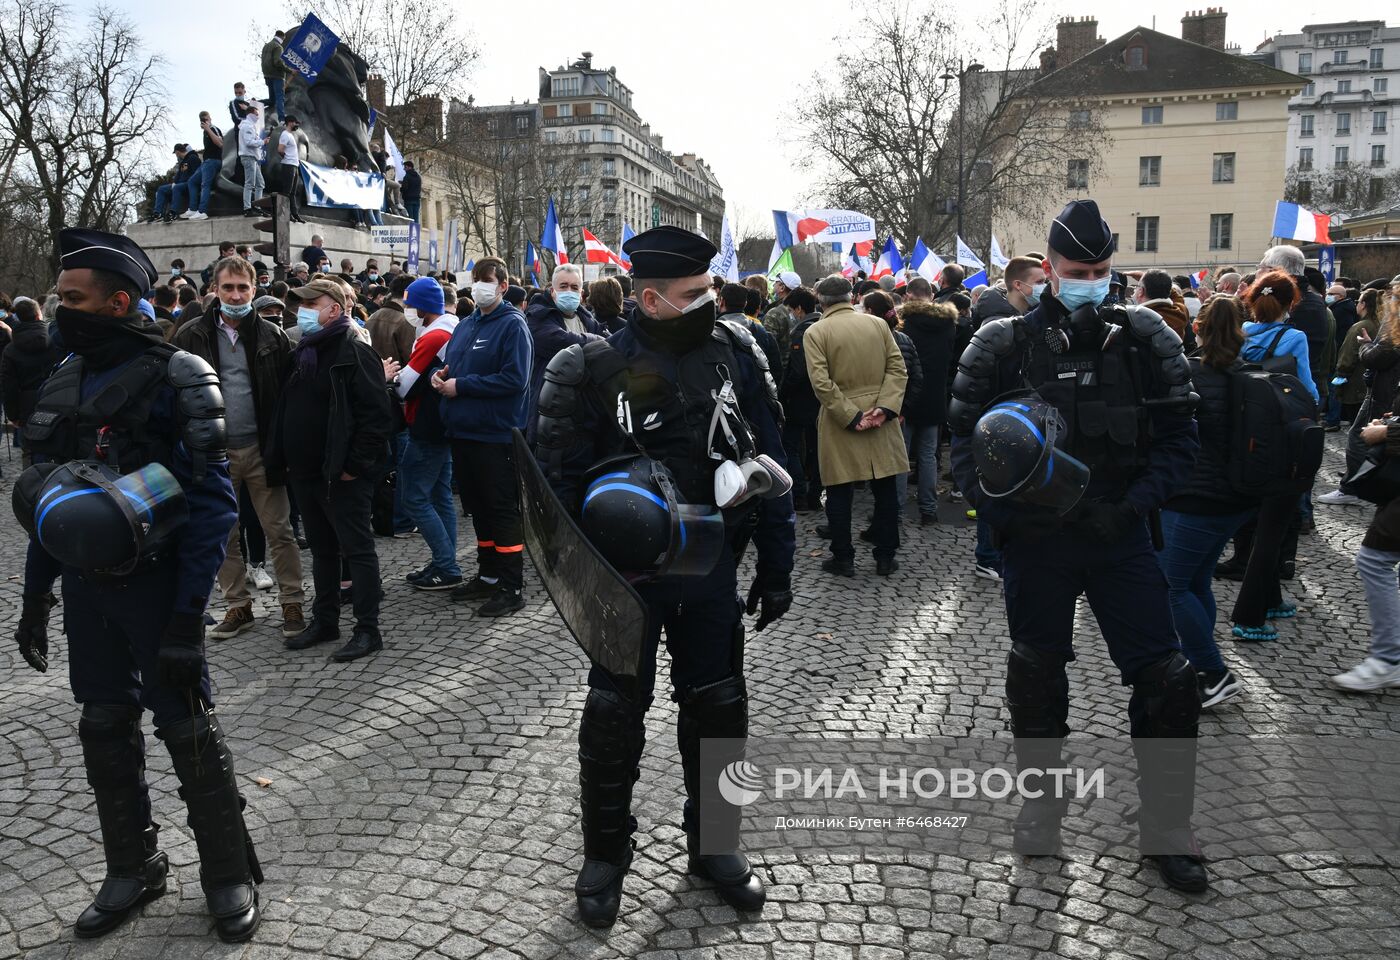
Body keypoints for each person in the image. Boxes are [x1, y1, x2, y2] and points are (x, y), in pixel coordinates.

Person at [534, 224, 793, 927]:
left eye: (711, 288)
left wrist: (777, 562)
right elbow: (552, 490)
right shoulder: (586, 368)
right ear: (649, 299)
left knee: (720, 705)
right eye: (694, 294)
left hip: (712, 570)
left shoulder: (737, 351)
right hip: (626, 584)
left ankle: (716, 845)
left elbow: (772, 459)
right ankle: (605, 855)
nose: (711, 301)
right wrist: (588, 581)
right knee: (613, 716)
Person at [947, 199, 1206, 893]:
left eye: (1100, 269)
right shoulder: (1001, 343)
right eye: (1076, 269)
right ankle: (1041, 806)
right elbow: (963, 446)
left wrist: (1133, 508)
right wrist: (1003, 520)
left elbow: (1183, 441)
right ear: (1050, 269)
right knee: (1035, 675)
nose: (1089, 278)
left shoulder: (1148, 337)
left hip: (1121, 535)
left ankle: (1167, 827)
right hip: (1040, 542)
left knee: (1168, 679)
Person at [12, 228, 260, 941]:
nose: (61, 309)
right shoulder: (63, 376)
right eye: (60, 297)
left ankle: (227, 874)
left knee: (185, 726)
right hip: (90, 591)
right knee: (102, 724)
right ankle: (133, 866)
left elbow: (215, 507)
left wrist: (188, 619)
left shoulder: (181, 374)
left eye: (73, 298)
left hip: (160, 588)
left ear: (118, 301)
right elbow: (52, 506)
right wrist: (36, 599)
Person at [172, 256, 305, 641]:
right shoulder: (191, 335)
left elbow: (284, 396)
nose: (234, 295)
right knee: (223, 534)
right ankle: (237, 605)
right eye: (227, 287)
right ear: (214, 288)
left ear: (254, 289)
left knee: (279, 530)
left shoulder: (272, 336)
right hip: (214, 455)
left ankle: (291, 601)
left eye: (242, 288)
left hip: (262, 449)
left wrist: (282, 449)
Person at [264, 278, 392, 661]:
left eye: (310, 303)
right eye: (300, 304)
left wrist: (354, 467)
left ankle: (368, 630)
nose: (301, 311)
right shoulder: (303, 351)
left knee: (357, 549)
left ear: (334, 309)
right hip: (304, 472)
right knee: (322, 550)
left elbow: (376, 419)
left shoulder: (355, 351)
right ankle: (326, 620)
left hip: (341, 474)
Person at [1155, 296, 1257, 708]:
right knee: (1196, 581)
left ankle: (1214, 673)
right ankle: (1200, 662)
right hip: (1237, 500)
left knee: (1168, 586)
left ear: (1197, 328)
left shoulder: (1189, 375)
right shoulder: (1250, 374)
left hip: (1194, 499)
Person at [432, 257, 533, 617]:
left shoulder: (512, 326)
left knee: (501, 509)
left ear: (502, 286)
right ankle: (488, 576)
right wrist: (443, 374)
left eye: (485, 280)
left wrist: (463, 385)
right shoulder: (466, 324)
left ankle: (511, 585)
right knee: (478, 509)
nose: (478, 286)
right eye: (475, 280)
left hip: (495, 435)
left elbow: (514, 379)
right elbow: (455, 365)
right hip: (463, 431)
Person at [804, 274, 908, 577]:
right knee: (886, 490)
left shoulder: (816, 332)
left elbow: (821, 383)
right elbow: (897, 368)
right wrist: (885, 408)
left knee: (839, 492)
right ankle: (885, 556)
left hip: (842, 421)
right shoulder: (877, 324)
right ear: (852, 297)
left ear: (820, 301)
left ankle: (843, 558)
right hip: (880, 416)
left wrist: (851, 415)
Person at [393, 277, 462, 591]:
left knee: (414, 498)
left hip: (426, 424)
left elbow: (405, 384)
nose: (407, 309)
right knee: (439, 495)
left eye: (410, 304)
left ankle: (446, 565)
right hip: (442, 422)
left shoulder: (433, 335)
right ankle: (443, 561)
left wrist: (387, 377)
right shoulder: (450, 326)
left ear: (422, 306)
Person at [897, 284, 957, 527]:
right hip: (934, 395)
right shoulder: (948, 324)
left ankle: (896, 511)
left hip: (906, 396)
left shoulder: (905, 323)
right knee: (928, 456)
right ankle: (929, 511)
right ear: (931, 296)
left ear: (909, 295)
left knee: (900, 457)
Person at [525, 264, 603, 435]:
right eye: (563, 286)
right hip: (550, 410)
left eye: (574, 287)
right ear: (552, 291)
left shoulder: (587, 319)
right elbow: (563, 342)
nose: (569, 291)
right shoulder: (538, 316)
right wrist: (596, 340)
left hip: (585, 410)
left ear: (581, 294)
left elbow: (611, 343)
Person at [865, 290, 922, 522]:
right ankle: (888, 515)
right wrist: (903, 408)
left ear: (869, 312)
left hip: (879, 412)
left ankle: (886, 517)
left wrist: (896, 410)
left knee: (882, 471)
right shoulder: (905, 338)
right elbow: (917, 378)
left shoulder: (872, 340)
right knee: (891, 467)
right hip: (893, 411)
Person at [1, 296, 64, 465]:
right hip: (54, 397)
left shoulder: (11, 350)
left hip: (26, 403)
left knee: (29, 450)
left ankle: (31, 485)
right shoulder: (55, 339)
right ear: (38, 315)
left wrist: (13, 414)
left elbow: (9, 386)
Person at [779, 286, 823, 512]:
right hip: (823, 399)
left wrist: (782, 392)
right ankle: (816, 495)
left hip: (801, 400)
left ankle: (800, 496)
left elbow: (798, 371)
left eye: (791, 310)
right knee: (819, 450)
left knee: (791, 446)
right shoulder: (826, 325)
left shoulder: (802, 331)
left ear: (798, 309)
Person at [181, 112, 223, 221]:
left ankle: (202, 211)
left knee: (205, 184)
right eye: (202, 120)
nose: (204, 122)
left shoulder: (213, 129)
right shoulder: (204, 133)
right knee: (192, 181)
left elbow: (220, 143)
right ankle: (193, 209)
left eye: (206, 119)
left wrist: (208, 129)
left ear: (210, 118)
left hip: (213, 161)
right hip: (206, 162)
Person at [151, 144, 200, 223]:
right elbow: (178, 175)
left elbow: (196, 174)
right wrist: (174, 182)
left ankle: (173, 212)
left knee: (177, 188)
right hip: (180, 184)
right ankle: (158, 213)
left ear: (177, 152)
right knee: (161, 189)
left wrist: (181, 183)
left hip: (189, 184)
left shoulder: (193, 158)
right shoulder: (183, 162)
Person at [1134, 269, 1189, 340]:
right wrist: (1157, 281)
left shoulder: (1136, 319)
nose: (1135, 290)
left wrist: (1150, 280)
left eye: (1137, 287)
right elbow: (1177, 297)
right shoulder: (1180, 312)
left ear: (1141, 291)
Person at [236, 100, 266, 216]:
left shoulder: (249, 126)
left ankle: (257, 206)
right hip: (248, 157)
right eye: (257, 114)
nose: (258, 117)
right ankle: (247, 209)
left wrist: (261, 141)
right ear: (251, 114)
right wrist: (262, 142)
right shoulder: (247, 126)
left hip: (252, 157)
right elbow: (249, 142)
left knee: (260, 183)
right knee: (250, 183)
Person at [276, 116, 305, 223]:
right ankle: (285, 214)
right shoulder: (285, 134)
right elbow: (280, 149)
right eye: (295, 123)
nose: (297, 125)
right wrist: (287, 157)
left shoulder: (290, 135)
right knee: (287, 192)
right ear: (290, 123)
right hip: (288, 165)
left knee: (292, 192)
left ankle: (295, 214)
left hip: (294, 165)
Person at [261, 30, 289, 121]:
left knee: (271, 100)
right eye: (283, 39)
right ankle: (281, 119)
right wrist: (289, 70)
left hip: (267, 76)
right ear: (282, 37)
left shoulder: (266, 46)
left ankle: (254, 104)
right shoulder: (278, 47)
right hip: (277, 76)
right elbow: (277, 62)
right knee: (280, 98)